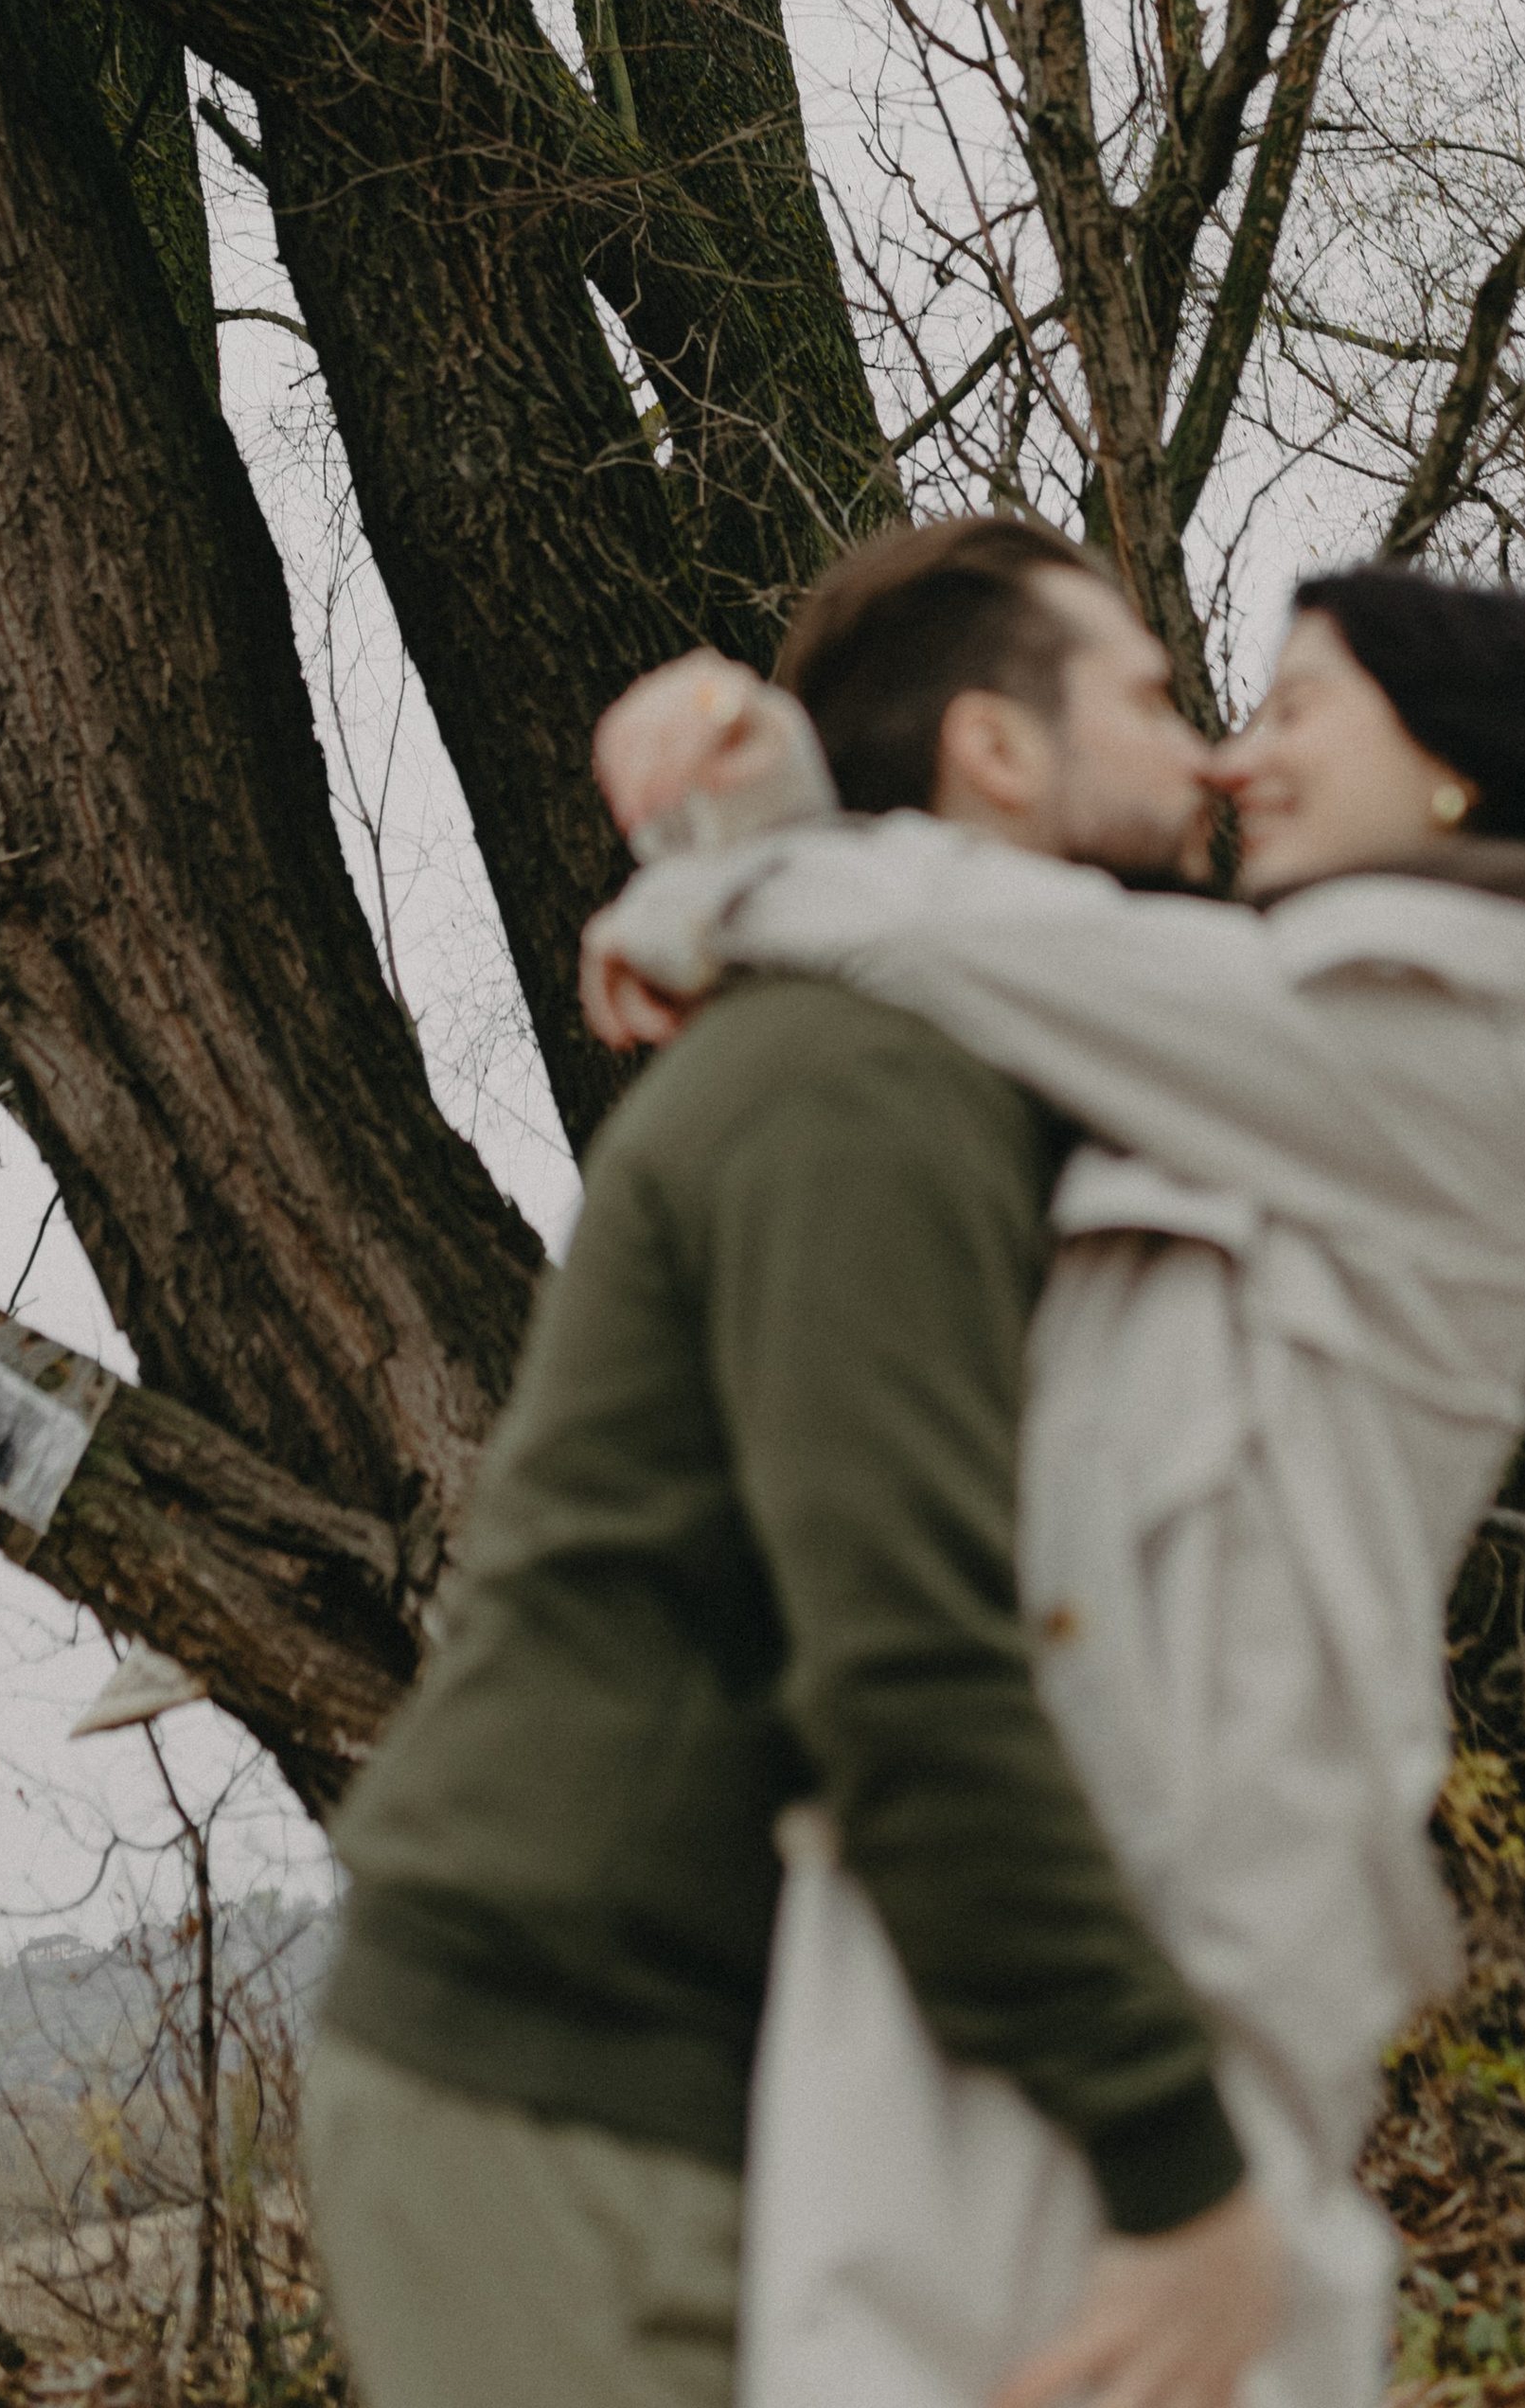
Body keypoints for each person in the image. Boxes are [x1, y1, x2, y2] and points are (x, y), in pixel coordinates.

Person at [584, 548, 1525, 2408]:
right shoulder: (1260, 1048)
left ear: (1456, 767)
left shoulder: (1510, 1046)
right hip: (1051, 1907)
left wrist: (740, 861)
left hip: (1198, 1925)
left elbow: (998, 947)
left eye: (1293, 706)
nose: (1237, 763)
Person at [304, 518, 1286, 2408]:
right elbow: (904, 1672)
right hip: (552, 2087)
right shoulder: (862, 1092)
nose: (1211, 754)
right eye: (1154, 702)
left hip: (696, 2080)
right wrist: (1181, 2173)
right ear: (998, 753)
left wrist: (725, 878)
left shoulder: (949, 1077)